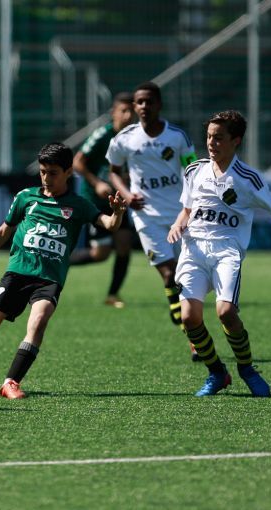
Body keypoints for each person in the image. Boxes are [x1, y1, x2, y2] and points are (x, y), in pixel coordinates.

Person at [0, 142, 126, 399]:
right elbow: (3, 232)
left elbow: (109, 224)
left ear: (68, 172)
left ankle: (10, 382)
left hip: (49, 279)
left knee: (38, 322)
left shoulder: (78, 205)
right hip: (18, 274)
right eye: (43, 172)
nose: (46, 178)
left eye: (53, 173)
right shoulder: (26, 197)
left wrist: (117, 213)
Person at [167, 110, 271, 397]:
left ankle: (247, 368)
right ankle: (217, 373)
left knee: (226, 312)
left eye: (219, 138)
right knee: (189, 317)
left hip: (227, 251)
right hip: (193, 249)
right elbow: (187, 208)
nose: (211, 143)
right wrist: (178, 224)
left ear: (236, 141)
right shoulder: (194, 170)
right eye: (209, 137)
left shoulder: (248, 178)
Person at [106, 81, 199, 360]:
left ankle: (180, 312)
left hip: (179, 215)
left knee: (185, 276)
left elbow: (192, 169)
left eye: (149, 101)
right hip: (146, 216)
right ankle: (194, 340)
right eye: (140, 102)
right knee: (170, 274)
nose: (144, 106)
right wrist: (126, 195)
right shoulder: (124, 138)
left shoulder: (178, 137)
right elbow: (113, 171)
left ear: (159, 104)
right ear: (135, 107)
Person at [70, 92, 136, 308]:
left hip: (117, 201)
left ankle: (113, 295)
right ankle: (61, 260)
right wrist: (97, 183)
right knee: (101, 254)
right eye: (123, 111)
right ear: (113, 113)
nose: (128, 115)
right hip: (96, 201)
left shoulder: (135, 137)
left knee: (124, 244)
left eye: (131, 111)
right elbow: (78, 162)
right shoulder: (103, 135)